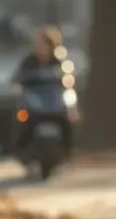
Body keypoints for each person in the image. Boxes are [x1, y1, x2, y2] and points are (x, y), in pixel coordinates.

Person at [10, 26, 72, 157]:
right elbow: (17, 79)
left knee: (69, 119)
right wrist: (18, 88)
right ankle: (21, 149)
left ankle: (67, 150)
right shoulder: (29, 61)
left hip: (54, 102)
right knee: (22, 119)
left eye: (46, 45)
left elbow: (69, 78)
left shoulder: (59, 61)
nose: (42, 48)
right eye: (40, 44)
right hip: (33, 102)